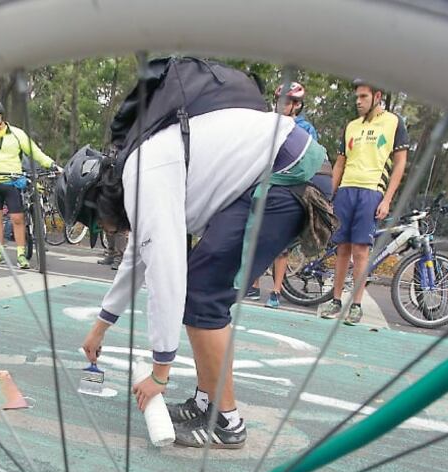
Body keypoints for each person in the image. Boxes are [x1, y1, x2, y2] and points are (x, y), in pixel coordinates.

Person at [61, 63, 334, 450]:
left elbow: (166, 276)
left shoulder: (143, 172)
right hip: (281, 169)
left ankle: (227, 421)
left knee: (202, 292)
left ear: (96, 201)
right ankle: (207, 402)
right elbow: (138, 258)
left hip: (288, 175)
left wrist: (160, 373)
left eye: (97, 223)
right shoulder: (138, 166)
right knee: (202, 289)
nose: (107, 230)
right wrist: (101, 325)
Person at [320, 79, 409, 325]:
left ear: (377, 96)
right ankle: (335, 300)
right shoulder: (351, 126)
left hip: (371, 191)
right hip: (346, 190)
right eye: (357, 97)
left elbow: (400, 163)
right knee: (342, 249)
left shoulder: (393, 122)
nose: (358, 102)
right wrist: (330, 195)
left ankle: (356, 304)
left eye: (363, 97)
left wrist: (387, 199)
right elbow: (340, 163)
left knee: (361, 250)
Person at [254, 81, 320, 308]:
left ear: (298, 106)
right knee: (256, 236)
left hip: (291, 190)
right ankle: (252, 286)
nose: (286, 106)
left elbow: (312, 162)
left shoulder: (306, 129)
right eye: (283, 101)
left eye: (292, 102)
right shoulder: (269, 125)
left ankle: (276, 290)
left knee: (281, 246)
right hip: (266, 186)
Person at [0, 100, 59, 269]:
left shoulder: (17, 134)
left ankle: (20, 254)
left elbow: (35, 152)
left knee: (17, 219)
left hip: (12, 183)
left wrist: (51, 164)